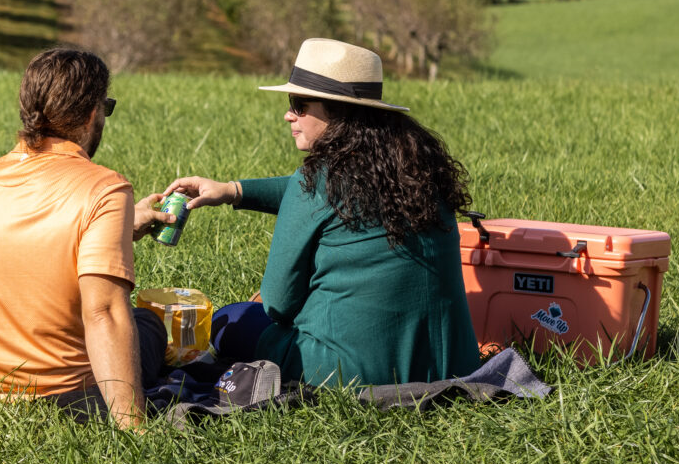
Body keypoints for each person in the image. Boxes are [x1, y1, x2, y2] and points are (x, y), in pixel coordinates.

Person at [162, 37, 480, 388]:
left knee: (230, 319)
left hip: (353, 372)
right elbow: (317, 193)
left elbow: (278, 305)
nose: (288, 115)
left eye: (299, 105)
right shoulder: (417, 171)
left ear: (340, 113)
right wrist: (233, 191)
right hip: (452, 363)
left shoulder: (316, 182)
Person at [0, 47, 174, 429]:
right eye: (106, 107)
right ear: (91, 114)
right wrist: (131, 426)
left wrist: (117, 230)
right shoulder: (105, 189)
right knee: (146, 326)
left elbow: (31, 247)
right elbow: (104, 314)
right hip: (61, 393)